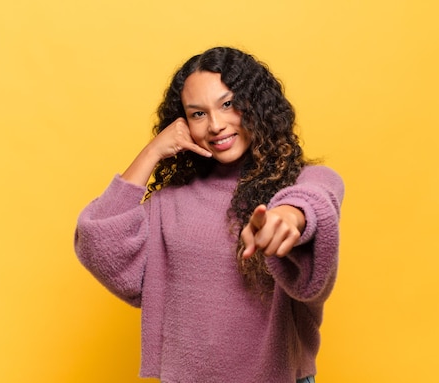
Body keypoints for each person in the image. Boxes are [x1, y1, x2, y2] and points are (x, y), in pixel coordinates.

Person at [74, 46, 344, 383]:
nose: (216, 125)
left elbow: (314, 200)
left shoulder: (305, 181)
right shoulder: (169, 203)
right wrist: (153, 151)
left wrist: (288, 218)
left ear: (256, 104)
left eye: (228, 104)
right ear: (182, 123)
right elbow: (98, 239)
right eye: (198, 114)